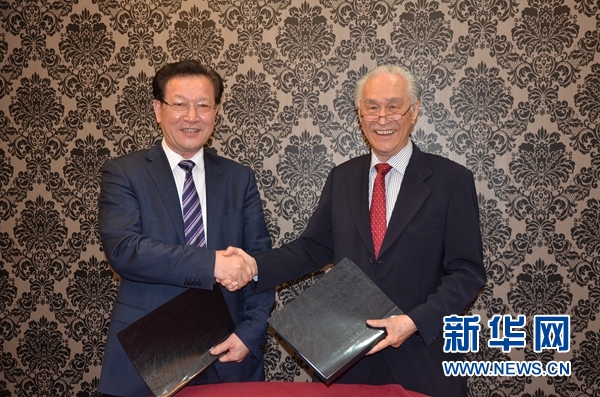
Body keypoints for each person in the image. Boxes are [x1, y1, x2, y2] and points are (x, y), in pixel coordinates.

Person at [225, 65, 487, 397]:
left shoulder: (452, 181)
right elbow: (312, 249)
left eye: (394, 106)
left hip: (423, 358)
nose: (382, 118)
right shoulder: (342, 178)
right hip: (350, 362)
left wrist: (414, 321)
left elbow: (467, 272)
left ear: (414, 110)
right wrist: (252, 266)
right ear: (359, 114)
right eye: (371, 107)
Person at [97, 60, 274, 397]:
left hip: (227, 354)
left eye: (203, 105)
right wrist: (213, 264)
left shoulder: (239, 179)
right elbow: (125, 250)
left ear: (216, 111)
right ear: (158, 109)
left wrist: (249, 333)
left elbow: (259, 265)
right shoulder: (124, 173)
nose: (192, 116)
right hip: (147, 355)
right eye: (179, 104)